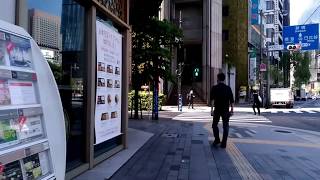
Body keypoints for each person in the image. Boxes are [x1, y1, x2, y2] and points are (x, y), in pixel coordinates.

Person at [210, 73, 234, 148]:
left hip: (217, 109)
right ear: (224, 79)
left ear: (218, 78)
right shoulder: (228, 88)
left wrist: (212, 110)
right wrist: (232, 110)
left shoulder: (214, 88)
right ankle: (224, 143)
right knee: (226, 126)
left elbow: (212, 100)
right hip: (225, 110)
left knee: (214, 125)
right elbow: (232, 100)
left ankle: (217, 140)